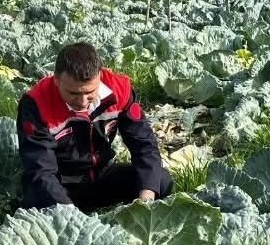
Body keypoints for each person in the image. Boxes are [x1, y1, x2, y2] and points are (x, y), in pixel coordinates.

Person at [17, 42, 174, 212]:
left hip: (102, 175)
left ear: (99, 76)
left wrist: (146, 198)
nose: (82, 101)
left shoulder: (120, 90)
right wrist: (69, 216)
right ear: (57, 80)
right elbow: (41, 170)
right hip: (61, 183)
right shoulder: (36, 104)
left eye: (89, 92)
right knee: (36, 194)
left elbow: (144, 144)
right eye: (74, 93)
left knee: (159, 181)